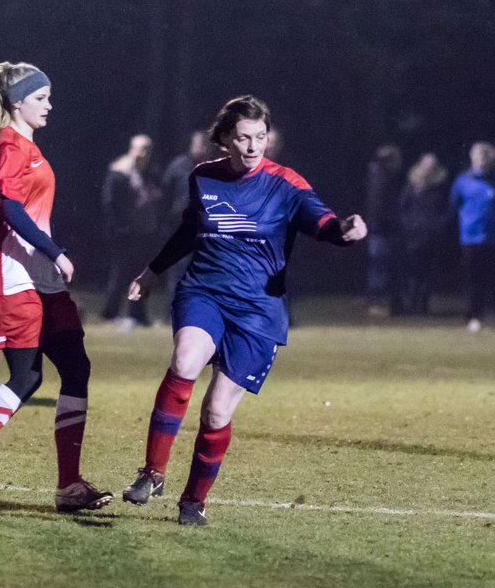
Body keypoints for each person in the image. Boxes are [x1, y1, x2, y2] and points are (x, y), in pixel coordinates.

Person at [124, 95, 367, 526]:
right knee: (184, 360)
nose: (254, 146)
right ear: (224, 140)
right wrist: (151, 272)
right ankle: (152, 473)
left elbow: (321, 222)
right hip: (205, 291)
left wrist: (344, 231)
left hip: (258, 310)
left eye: (260, 137)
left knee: (216, 411)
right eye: (243, 138)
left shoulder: (286, 183)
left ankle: (193, 501)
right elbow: (187, 232)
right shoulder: (204, 177)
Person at [0, 62, 110, 514]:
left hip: (40, 276)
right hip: (14, 274)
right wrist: (55, 249)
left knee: (76, 367)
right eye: (41, 98)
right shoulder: (10, 144)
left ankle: (69, 486)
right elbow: (10, 207)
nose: (50, 105)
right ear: (17, 102)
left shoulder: (26, 143)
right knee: (27, 377)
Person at [450, 141, 495, 332]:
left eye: (485, 156)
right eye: (478, 156)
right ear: (472, 158)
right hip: (471, 238)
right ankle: (474, 316)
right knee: (473, 280)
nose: (482, 160)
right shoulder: (464, 181)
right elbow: (454, 205)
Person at [101, 133, 161, 328]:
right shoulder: (120, 171)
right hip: (123, 233)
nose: (144, 154)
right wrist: (119, 227)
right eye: (140, 148)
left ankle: (138, 314)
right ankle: (111, 312)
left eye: (147, 149)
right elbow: (110, 203)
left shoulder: (147, 173)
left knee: (141, 274)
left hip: (142, 231)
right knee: (120, 273)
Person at [159, 130, 212, 289]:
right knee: (178, 271)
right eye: (198, 144)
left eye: (205, 145)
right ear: (191, 145)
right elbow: (165, 194)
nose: (202, 149)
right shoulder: (178, 165)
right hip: (180, 227)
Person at [397, 152, 449, 315]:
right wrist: (408, 225)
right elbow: (403, 207)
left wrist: (437, 226)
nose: (428, 169)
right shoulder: (411, 186)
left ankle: (423, 305)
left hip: (431, 236)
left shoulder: (440, 187)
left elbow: (445, 209)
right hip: (412, 235)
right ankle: (412, 303)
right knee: (412, 271)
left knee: (428, 272)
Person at [364, 144, 404, 316]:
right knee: (380, 266)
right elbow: (379, 207)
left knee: (382, 266)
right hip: (381, 229)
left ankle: (384, 302)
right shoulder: (381, 178)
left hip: (380, 228)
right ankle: (376, 302)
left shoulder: (379, 176)